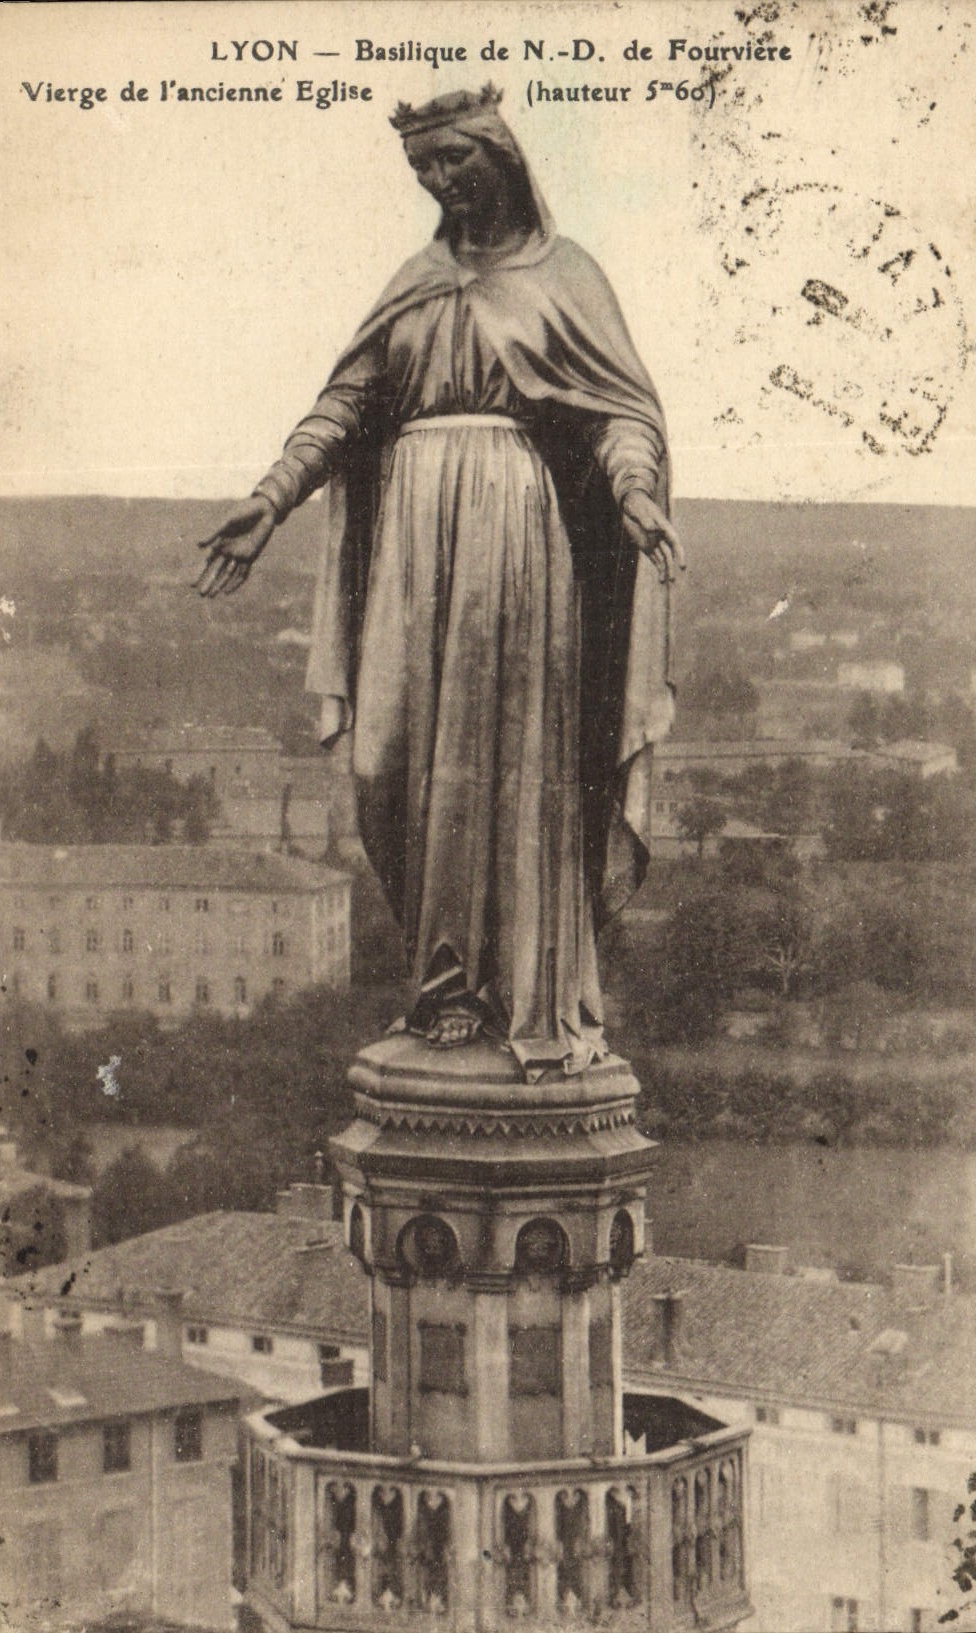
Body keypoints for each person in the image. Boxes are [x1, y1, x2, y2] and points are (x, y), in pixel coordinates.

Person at [194, 85, 683, 1075]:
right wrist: (272, 497)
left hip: (518, 539)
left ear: (499, 159)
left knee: (511, 756)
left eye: (453, 162)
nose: (439, 182)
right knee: (392, 760)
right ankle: (438, 976)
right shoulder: (415, 281)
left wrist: (633, 490)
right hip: (412, 548)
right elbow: (344, 404)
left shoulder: (567, 275)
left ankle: (507, 991)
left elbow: (619, 413)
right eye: (423, 170)